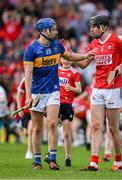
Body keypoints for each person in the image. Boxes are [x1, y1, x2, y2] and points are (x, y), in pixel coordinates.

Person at [24, 18, 96, 170]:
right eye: (53, 29)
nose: (56, 31)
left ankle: (52, 159)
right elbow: (28, 74)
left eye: (56, 28)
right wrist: (28, 96)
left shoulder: (57, 46)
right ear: (44, 31)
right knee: (37, 127)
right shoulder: (31, 50)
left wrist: (86, 55)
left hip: (53, 91)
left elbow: (71, 57)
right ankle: (37, 161)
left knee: (51, 123)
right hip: (37, 92)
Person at [74, 15, 122, 171]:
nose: (91, 29)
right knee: (96, 125)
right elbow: (84, 64)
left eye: (94, 26)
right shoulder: (94, 43)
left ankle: (118, 163)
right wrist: (69, 54)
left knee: (112, 129)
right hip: (97, 88)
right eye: (90, 27)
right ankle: (93, 163)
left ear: (103, 27)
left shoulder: (117, 39)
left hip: (113, 89)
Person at [16, 78, 33, 159]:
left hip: (35, 110)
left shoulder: (41, 78)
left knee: (30, 131)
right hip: (25, 111)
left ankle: (29, 151)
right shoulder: (25, 80)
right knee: (26, 132)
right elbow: (19, 94)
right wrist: (19, 108)